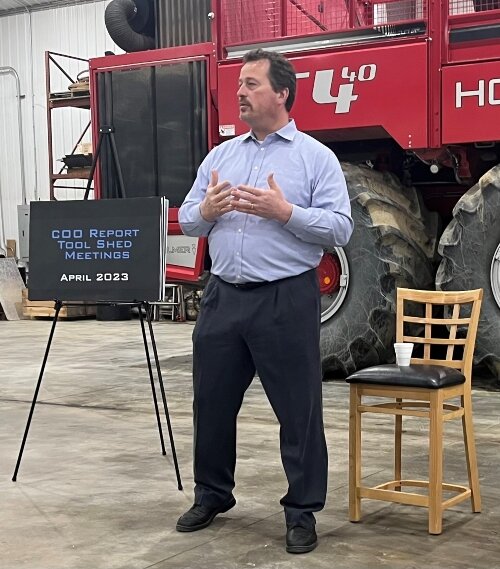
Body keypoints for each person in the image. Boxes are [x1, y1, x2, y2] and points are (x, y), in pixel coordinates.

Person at [177, 48, 353, 554]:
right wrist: (206, 210)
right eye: (239, 85)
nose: (240, 93)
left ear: (282, 93)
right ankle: (212, 494)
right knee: (210, 404)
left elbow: (341, 227)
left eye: (251, 84)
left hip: (284, 300)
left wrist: (286, 211)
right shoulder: (221, 156)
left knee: (298, 410)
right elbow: (189, 218)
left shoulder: (314, 157)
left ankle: (301, 511)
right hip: (222, 299)